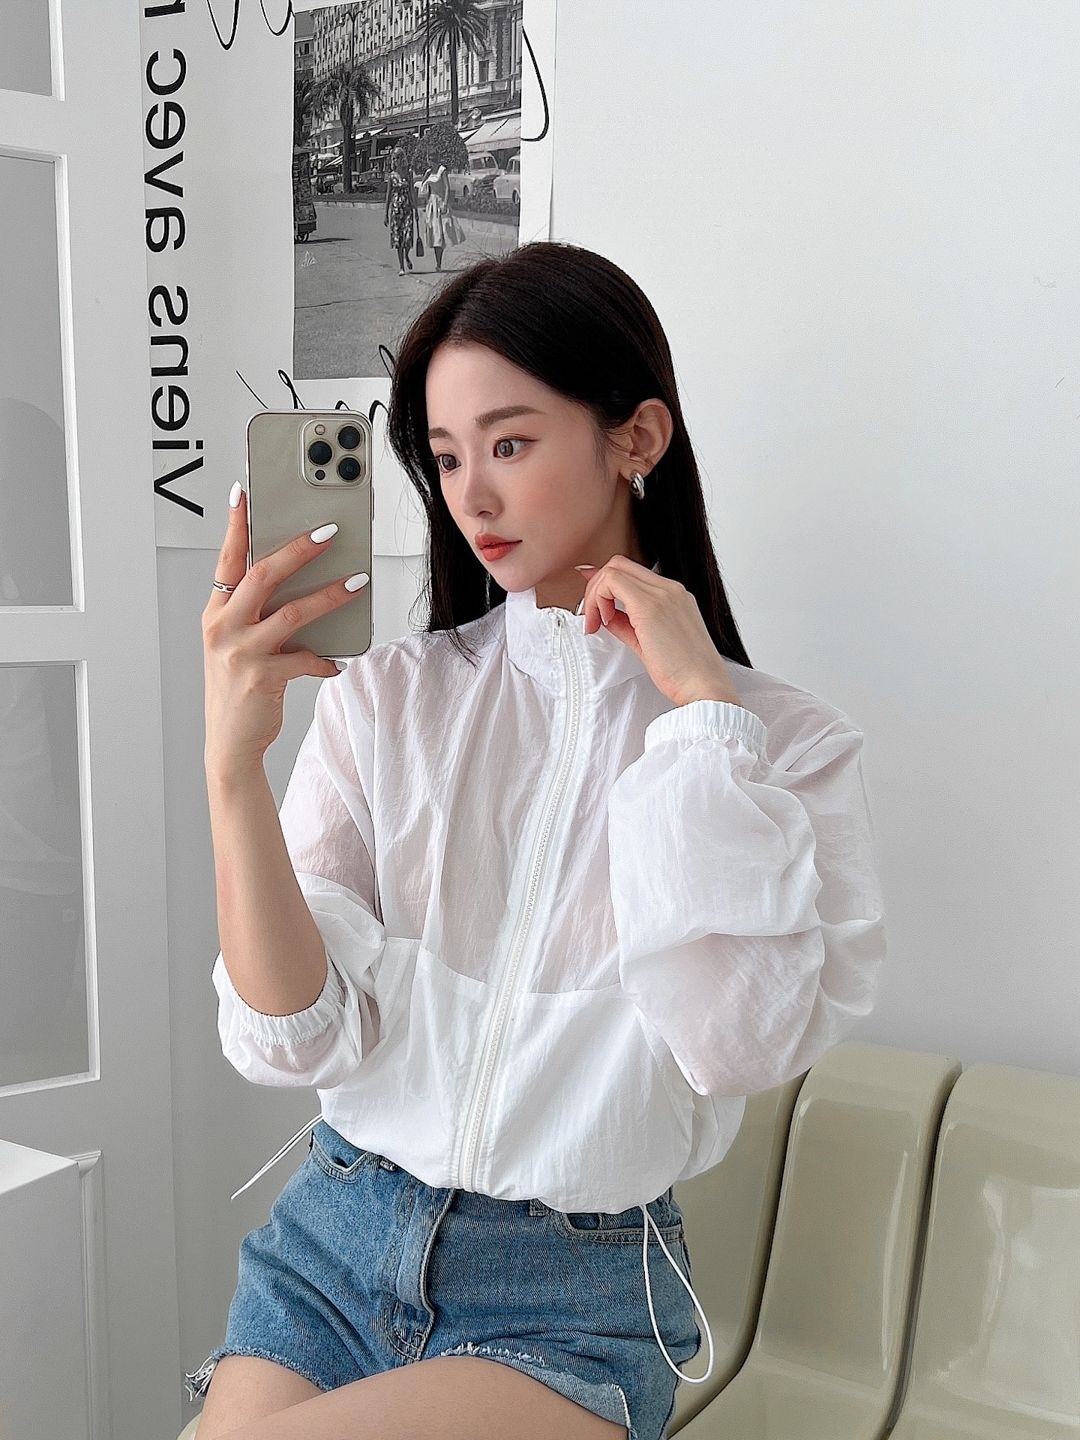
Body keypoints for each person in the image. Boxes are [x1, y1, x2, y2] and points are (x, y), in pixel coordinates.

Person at [191, 240, 887, 1440]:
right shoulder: (390, 698)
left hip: (572, 1293)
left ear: (637, 437)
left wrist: (702, 719)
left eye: (509, 444)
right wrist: (232, 768)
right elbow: (296, 1037)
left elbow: (735, 1043)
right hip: (335, 1239)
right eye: (447, 457)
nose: (471, 498)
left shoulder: (782, 744)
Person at [383, 145, 417, 277]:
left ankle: (407, 255)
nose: (395, 160)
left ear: (402, 158)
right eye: (393, 158)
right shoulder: (392, 176)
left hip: (407, 207)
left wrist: (415, 208)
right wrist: (386, 213)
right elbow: (388, 195)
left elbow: (412, 191)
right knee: (398, 238)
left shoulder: (408, 173)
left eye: (397, 157)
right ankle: (401, 266)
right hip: (396, 209)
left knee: (408, 236)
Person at [418, 157, 454, 271]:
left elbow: (447, 188)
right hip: (431, 204)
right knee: (434, 233)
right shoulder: (429, 172)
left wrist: (445, 203)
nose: (431, 162)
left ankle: (439, 263)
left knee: (440, 234)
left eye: (433, 160)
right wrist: (425, 177)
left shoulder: (442, 170)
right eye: (429, 160)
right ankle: (437, 263)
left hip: (440, 202)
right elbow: (423, 188)